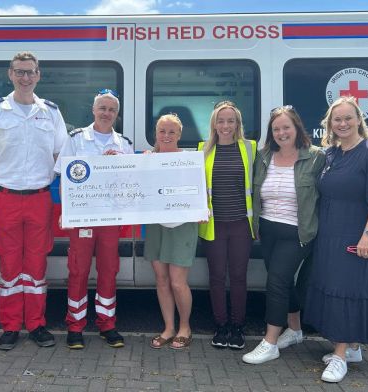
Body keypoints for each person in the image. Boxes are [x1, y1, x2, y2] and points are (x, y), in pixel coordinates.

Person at [0, 51, 68, 350]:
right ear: (10, 74)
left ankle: (37, 325)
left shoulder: (51, 112)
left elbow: (61, 156)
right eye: (19, 72)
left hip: (40, 198)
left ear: (38, 75)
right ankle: (11, 325)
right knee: (10, 265)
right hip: (5, 198)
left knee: (37, 265)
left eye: (30, 72)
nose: (25, 77)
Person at [303, 96, 368, 383]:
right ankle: (352, 349)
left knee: (346, 292)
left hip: (355, 235)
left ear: (358, 120)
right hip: (329, 234)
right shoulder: (331, 154)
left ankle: (339, 356)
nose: (342, 123)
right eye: (336, 119)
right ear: (329, 124)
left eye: (347, 118)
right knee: (332, 289)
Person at [241, 106, 325, 364]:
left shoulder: (315, 157)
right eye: (276, 129)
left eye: (286, 127)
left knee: (276, 281)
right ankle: (295, 329)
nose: (281, 132)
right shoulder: (265, 156)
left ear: (297, 127)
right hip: (268, 228)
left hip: (297, 231)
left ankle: (270, 342)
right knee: (284, 280)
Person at [54, 89, 133, 349]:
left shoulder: (124, 144)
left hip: (110, 217)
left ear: (117, 114)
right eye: (102, 108)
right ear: (93, 110)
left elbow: (132, 181)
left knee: (109, 271)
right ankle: (75, 326)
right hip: (83, 217)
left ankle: (107, 324)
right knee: (78, 270)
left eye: (111, 109)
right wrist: (67, 212)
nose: (106, 113)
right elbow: (65, 176)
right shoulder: (76, 139)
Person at [199, 101, 257, 350]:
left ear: (238, 124)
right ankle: (221, 326)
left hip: (241, 225)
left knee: (238, 277)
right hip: (214, 226)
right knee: (216, 277)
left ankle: (237, 327)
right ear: (214, 124)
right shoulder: (203, 149)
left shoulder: (250, 147)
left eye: (230, 121)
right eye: (220, 121)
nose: (225, 125)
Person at [145, 114, 198, 350]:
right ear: (156, 133)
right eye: (162, 131)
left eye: (171, 132)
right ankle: (168, 328)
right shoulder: (147, 159)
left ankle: (185, 327)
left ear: (179, 135)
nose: (166, 136)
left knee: (178, 283)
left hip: (182, 225)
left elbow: (198, 191)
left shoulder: (189, 159)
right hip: (156, 225)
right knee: (161, 280)